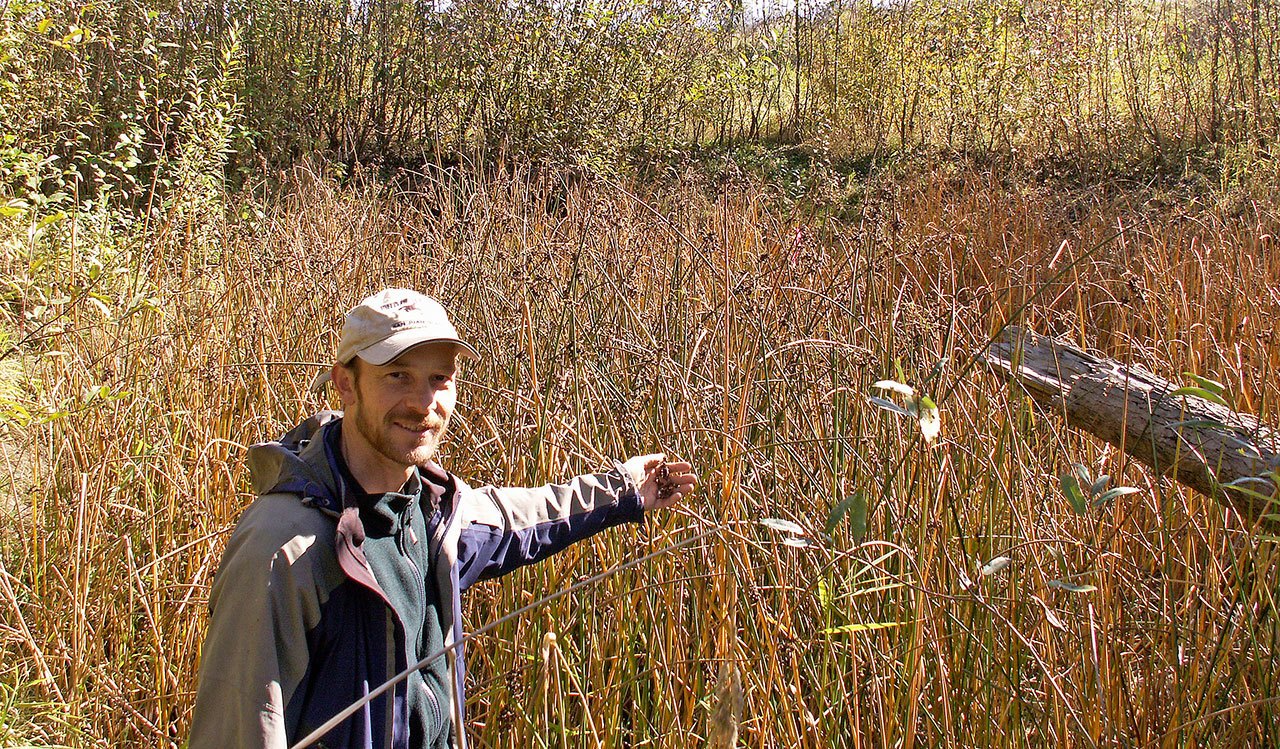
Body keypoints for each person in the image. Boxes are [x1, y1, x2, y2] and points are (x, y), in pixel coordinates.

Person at [189, 288, 696, 749]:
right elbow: (239, 727)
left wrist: (628, 489)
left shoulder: (433, 513)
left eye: (439, 380)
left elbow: (526, 516)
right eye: (397, 376)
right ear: (345, 384)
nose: (422, 403)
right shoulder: (284, 547)